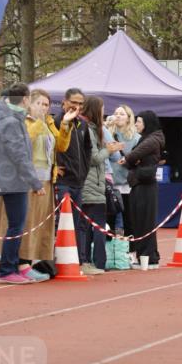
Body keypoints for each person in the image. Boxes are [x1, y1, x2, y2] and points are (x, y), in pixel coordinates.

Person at [0, 89, 74, 276]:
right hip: (27, 180)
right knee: (24, 223)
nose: (43, 108)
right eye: (39, 104)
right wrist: (38, 122)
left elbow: (61, 146)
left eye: (46, 105)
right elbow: (23, 144)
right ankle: (20, 264)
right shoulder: (22, 122)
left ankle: (28, 262)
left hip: (46, 179)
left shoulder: (47, 123)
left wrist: (65, 125)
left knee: (38, 225)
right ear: (29, 103)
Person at [0, 83, 44, 284]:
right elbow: (19, 155)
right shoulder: (10, 121)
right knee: (16, 225)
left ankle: (10, 267)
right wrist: (35, 182)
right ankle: (7, 269)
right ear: (26, 99)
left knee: (16, 225)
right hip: (12, 180)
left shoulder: (11, 119)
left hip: (12, 179)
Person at [79, 96, 120, 274]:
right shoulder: (89, 130)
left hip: (95, 182)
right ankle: (92, 262)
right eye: (102, 109)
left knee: (93, 225)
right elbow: (94, 158)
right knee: (94, 225)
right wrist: (109, 150)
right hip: (91, 182)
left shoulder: (95, 130)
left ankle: (92, 261)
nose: (104, 112)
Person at [121, 111, 165, 269]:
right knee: (138, 221)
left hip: (145, 184)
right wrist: (132, 161)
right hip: (139, 183)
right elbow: (130, 160)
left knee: (145, 222)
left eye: (138, 122)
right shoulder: (146, 138)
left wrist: (132, 161)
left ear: (147, 123)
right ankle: (144, 255)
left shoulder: (153, 139)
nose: (136, 125)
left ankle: (149, 256)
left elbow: (131, 157)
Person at [54, 87, 91, 237]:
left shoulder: (83, 124)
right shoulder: (57, 121)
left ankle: (73, 258)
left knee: (74, 225)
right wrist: (55, 167)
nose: (77, 106)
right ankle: (56, 258)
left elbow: (87, 150)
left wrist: (84, 171)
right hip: (63, 181)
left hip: (78, 182)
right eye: (73, 102)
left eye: (81, 103)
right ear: (64, 102)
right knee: (62, 223)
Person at [106, 104, 140, 236]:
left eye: (122, 114)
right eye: (116, 113)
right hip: (110, 181)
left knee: (129, 219)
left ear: (128, 118)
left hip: (127, 183)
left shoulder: (136, 138)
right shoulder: (107, 134)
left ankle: (130, 251)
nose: (118, 116)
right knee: (109, 220)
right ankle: (108, 252)